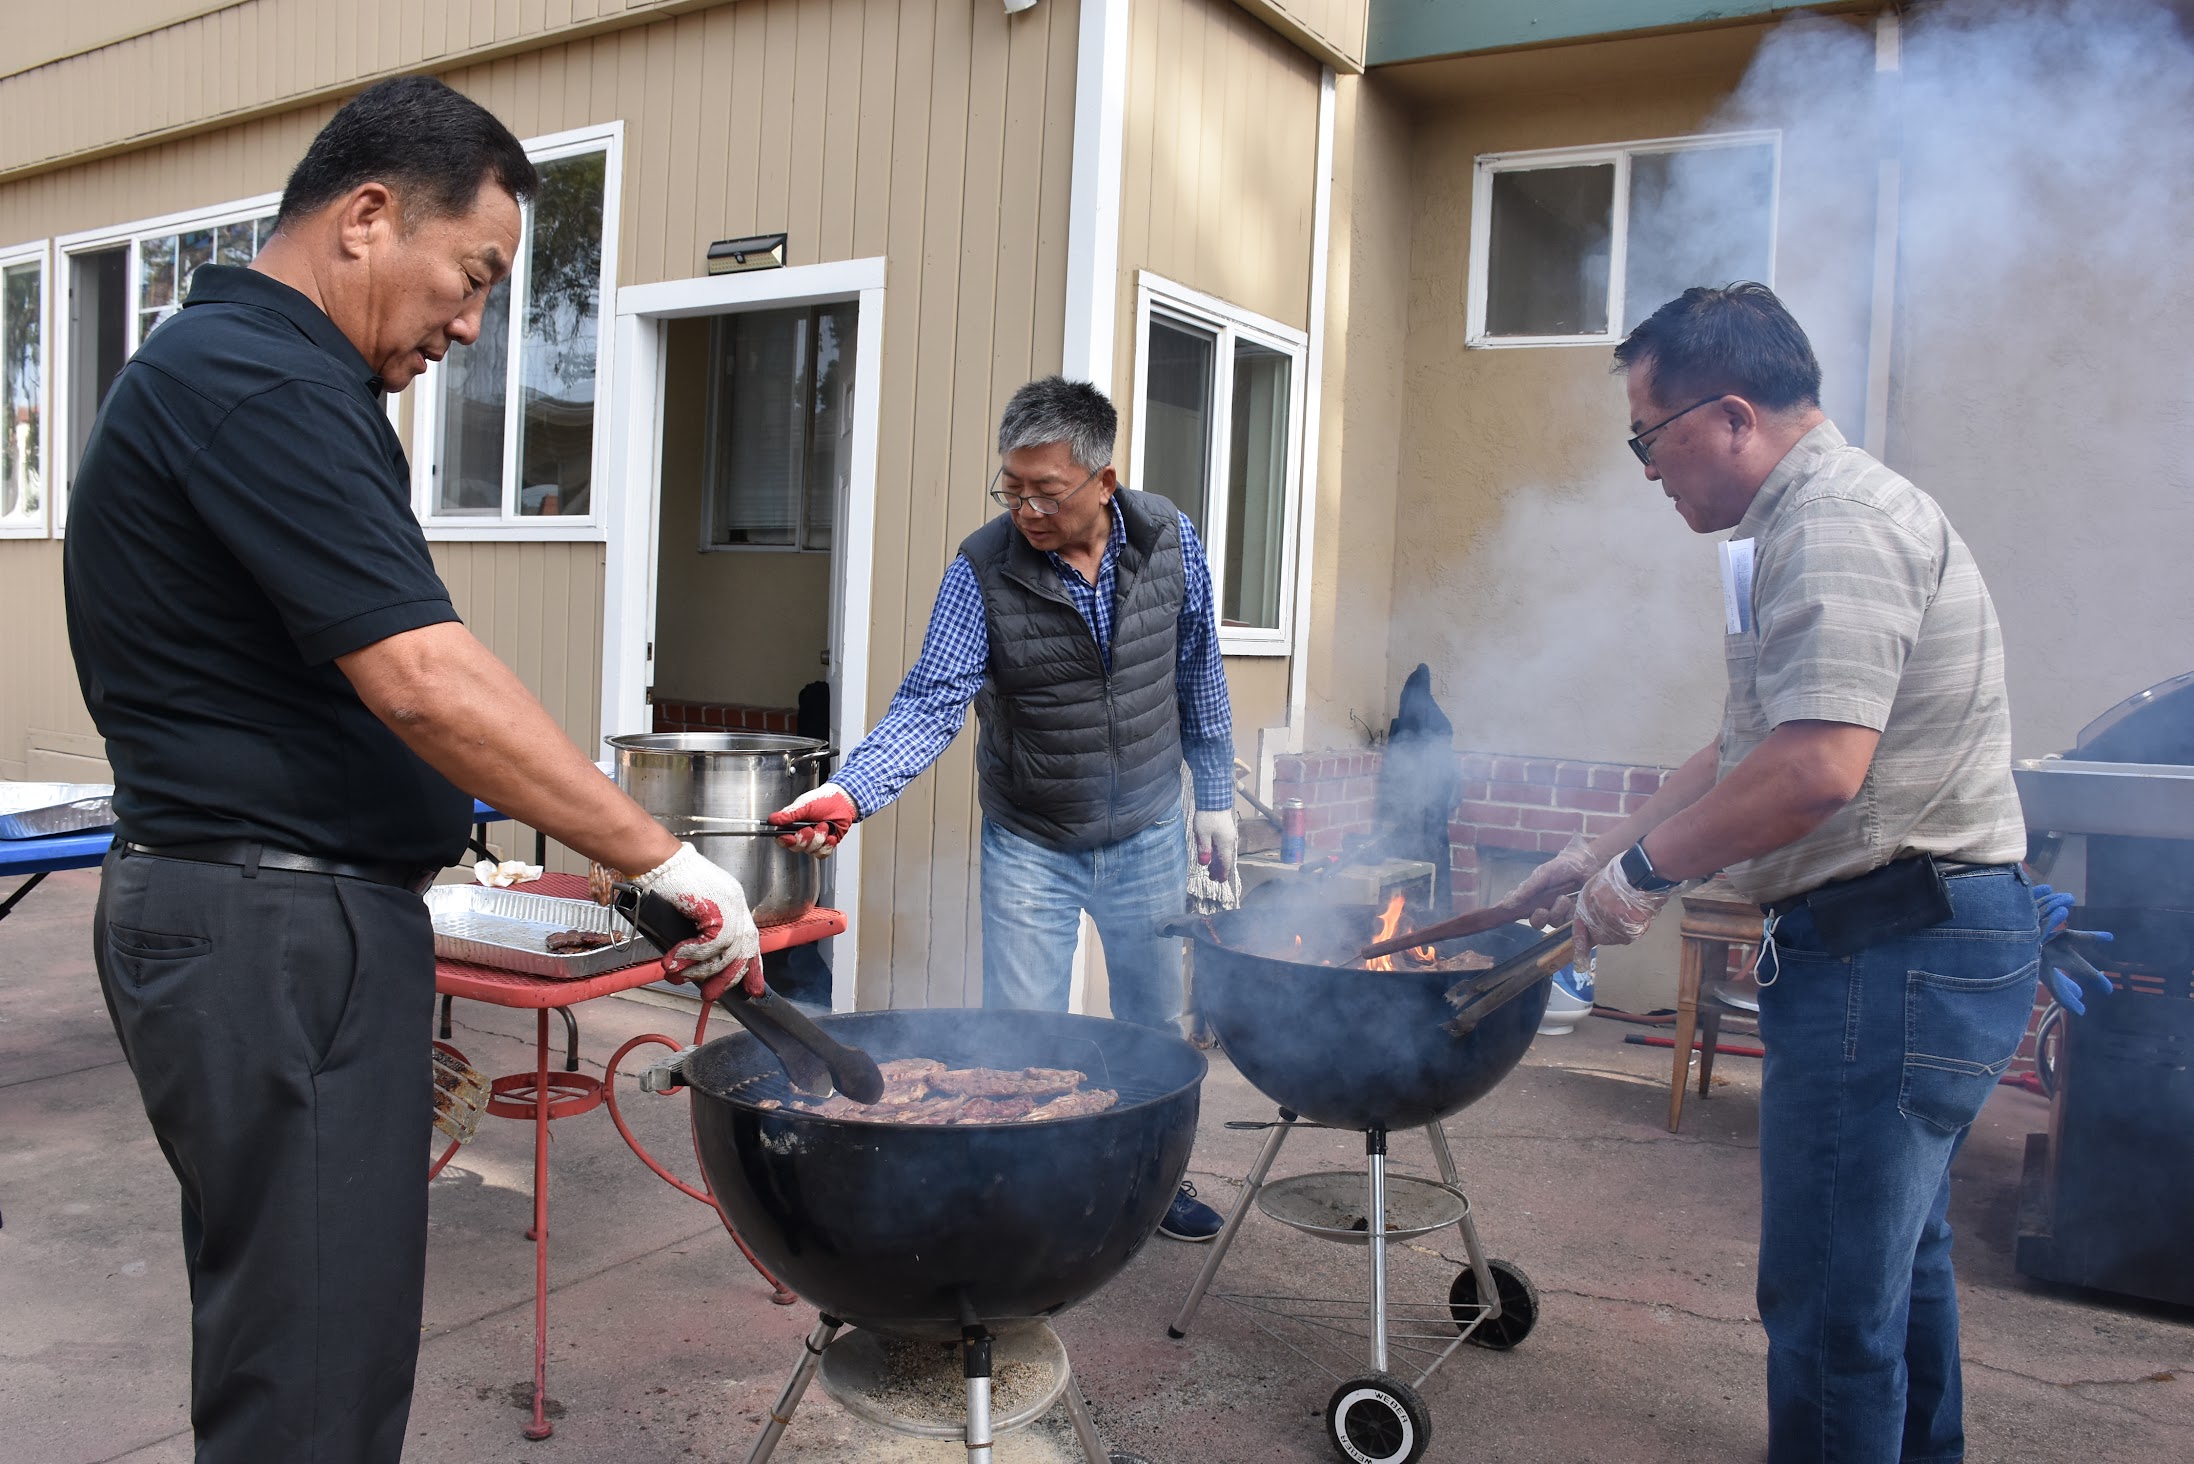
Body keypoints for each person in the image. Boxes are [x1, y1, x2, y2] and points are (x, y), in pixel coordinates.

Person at [63, 77, 763, 1464]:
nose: (471, 322)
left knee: (305, 1342)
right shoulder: (257, 382)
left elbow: (365, 682)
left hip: (270, 921)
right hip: (273, 930)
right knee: (315, 1386)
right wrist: (665, 861)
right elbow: (425, 678)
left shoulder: (261, 379)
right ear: (369, 217)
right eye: (475, 275)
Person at [1505, 284, 2036, 1463]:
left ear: (1731, 415)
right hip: (1911, 944)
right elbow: (1746, 745)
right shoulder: (1785, 529)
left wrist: (1640, 880)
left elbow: (1815, 771)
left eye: (1649, 437)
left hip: (1898, 947)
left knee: (1828, 1300)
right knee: (1898, 1266)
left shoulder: (1834, 525)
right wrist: (1596, 849)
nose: (1644, 468)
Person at [766, 376, 1237, 1241]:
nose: (1025, 508)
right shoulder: (982, 569)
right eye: (1011, 487)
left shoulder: (1172, 539)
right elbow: (930, 701)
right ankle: (1039, 1199)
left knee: (1154, 1026)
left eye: (1045, 491)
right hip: (1033, 838)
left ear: (1103, 478)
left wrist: (1216, 798)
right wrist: (851, 790)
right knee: (1026, 1036)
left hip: (1149, 830)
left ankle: (1158, 1180)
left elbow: (1199, 669)